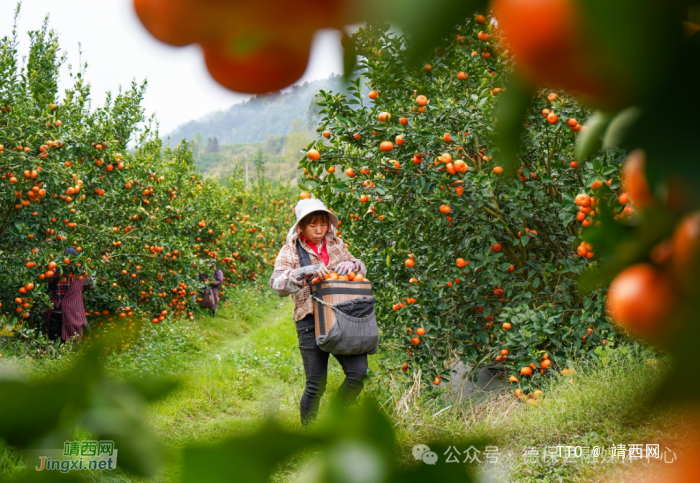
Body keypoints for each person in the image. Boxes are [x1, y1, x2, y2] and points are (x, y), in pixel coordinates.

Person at [270, 197, 369, 426]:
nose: (319, 230)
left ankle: (333, 421)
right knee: (316, 384)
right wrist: (302, 272)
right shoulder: (290, 250)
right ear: (301, 226)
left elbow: (358, 266)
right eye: (313, 225)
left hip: (343, 317)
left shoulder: (335, 244)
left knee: (358, 373)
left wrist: (353, 265)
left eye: (323, 224)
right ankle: (310, 435)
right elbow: (277, 284)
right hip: (310, 321)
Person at [44, 248, 95, 344]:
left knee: (53, 341)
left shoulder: (54, 272)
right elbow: (92, 286)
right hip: (72, 314)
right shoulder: (81, 275)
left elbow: (49, 287)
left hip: (54, 311)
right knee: (72, 341)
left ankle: (53, 357)